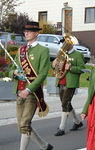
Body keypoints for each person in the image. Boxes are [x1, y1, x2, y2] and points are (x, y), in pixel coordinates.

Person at [9, 21, 53, 150]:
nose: (26, 33)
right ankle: (44, 146)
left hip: (31, 93)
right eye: (25, 31)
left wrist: (28, 90)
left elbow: (43, 74)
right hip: (19, 91)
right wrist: (15, 72)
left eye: (29, 31)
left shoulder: (43, 50)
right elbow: (11, 69)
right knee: (21, 126)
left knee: (24, 124)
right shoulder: (21, 51)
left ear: (36, 33)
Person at [52, 43, 85, 136]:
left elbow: (82, 69)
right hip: (60, 81)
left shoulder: (78, 54)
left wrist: (71, 68)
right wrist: (54, 65)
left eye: (66, 43)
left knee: (64, 104)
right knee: (66, 104)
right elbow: (57, 67)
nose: (64, 45)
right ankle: (77, 122)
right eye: (63, 43)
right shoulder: (62, 54)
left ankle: (61, 127)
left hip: (70, 83)